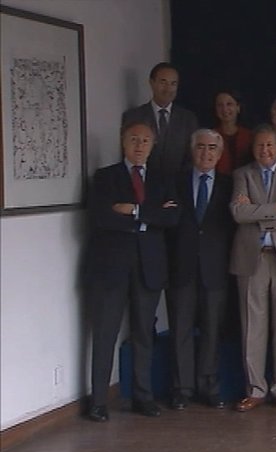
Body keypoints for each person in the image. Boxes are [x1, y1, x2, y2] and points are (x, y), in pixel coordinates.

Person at [85, 121, 180, 422]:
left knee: (143, 334)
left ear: (153, 146)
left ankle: (143, 396)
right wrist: (150, 216)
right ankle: (98, 401)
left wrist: (135, 211)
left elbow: (172, 217)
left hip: (149, 267)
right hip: (111, 269)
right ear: (123, 142)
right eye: (134, 139)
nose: (139, 145)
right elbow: (102, 218)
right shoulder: (105, 177)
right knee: (105, 333)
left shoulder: (163, 179)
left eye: (146, 140)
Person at [229, 124, 276, 413]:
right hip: (252, 257)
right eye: (259, 146)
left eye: (270, 146)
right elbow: (237, 213)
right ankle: (256, 389)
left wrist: (257, 212)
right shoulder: (242, 174)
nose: (265, 150)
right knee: (252, 326)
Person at [164, 129, 235, 410]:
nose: (206, 153)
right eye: (201, 147)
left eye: (212, 149)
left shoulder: (230, 185)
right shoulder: (175, 181)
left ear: (219, 154)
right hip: (181, 267)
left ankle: (209, 386)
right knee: (180, 330)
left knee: (211, 331)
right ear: (192, 151)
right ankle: (181, 388)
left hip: (216, 269)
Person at [121, 62, 198, 177]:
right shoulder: (134, 116)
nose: (168, 88)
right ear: (152, 83)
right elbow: (127, 155)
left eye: (173, 83)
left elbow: (192, 157)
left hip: (178, 186)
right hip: (143, 184)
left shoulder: (188, 119)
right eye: (163, 82)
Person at [212, 89, 252, 175]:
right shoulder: (210, 136)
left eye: (229, 104)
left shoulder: (250, 136)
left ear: (238, 107)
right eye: (220, 105)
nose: (225, 109)